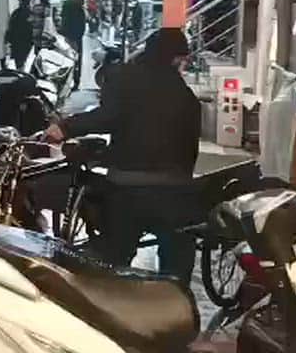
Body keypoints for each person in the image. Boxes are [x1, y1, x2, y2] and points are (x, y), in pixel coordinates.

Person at [45, 28, 201, 284]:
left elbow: (108, 116)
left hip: (127, 187)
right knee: (176, 266)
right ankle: (176, 307)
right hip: (174, 192)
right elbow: (190, 150)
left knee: (112, 262)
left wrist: (65, 127)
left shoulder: (124, 77)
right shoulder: (186, 96)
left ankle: (106, 313)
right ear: (176, 59)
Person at [61, 0, 87, 90]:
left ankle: (66, 81)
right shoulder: (79, 5)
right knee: (77, 59)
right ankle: (76, 81)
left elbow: (64, 20)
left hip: (69, 36)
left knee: (67, 58)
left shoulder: (67, 4)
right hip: (77, 37)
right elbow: (82, 22)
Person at [5, 0, 35, 69]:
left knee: (19, 59)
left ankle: (20, 71)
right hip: (25, 40)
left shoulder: (16, 12)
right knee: (22, 58)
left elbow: (10, 25)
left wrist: (8, 37)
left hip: (17, 39)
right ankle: (21, 71)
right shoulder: (30, 13)